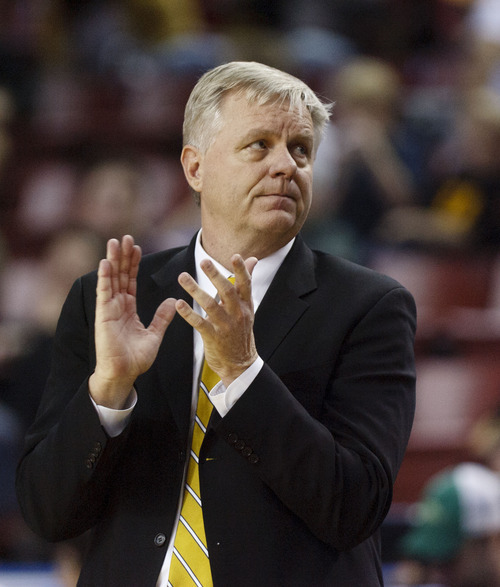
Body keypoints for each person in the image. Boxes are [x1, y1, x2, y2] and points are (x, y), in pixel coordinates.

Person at [15, 61, 417, 586]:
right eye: (259, 145)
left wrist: (244, 373)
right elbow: (47, 512)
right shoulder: (110, 297)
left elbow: (354, 505)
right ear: (195, 167)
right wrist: (108, 392)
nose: (286, 166)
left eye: (301, 149)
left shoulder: (371, 306)